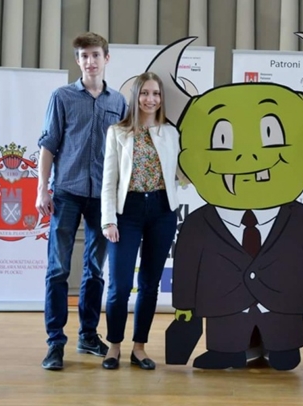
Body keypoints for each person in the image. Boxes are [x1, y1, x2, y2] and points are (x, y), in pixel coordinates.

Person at [37, 32, 127, 371]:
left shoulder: (119, 102)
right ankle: (54, 343)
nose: (90, 61)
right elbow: (48, 145)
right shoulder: (61, 97)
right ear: (78, 61)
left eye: (95, 55)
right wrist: (41, 189)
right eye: (84, 56)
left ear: (106, 58)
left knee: (95, 270)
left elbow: (125, 152)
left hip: (102, 198)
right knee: (58, 268)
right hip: (66, 193)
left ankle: (88, 335)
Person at [100, 72, 181, 370]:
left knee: (149, 285)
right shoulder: (118, 132)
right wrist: (108, 220)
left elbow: (180, 172)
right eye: (145, 93)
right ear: (136, 96)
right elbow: (109, 180)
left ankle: (139, 348)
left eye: (156, 94)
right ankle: (114, 346)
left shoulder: (170, 133)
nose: (151, 99)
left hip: (162, 210)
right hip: (127, 212)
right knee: (120, 285)